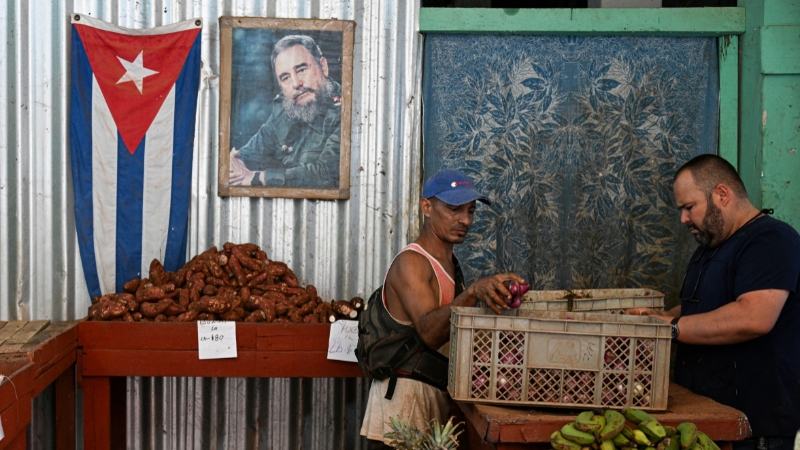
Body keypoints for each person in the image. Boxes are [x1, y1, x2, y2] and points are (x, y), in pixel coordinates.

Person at [628, 154, 800, 450]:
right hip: (710, 420)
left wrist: (670, 327)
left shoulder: (771, 239)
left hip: (756, 427)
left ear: (721, 194)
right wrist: (662, 315)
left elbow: (753, 316)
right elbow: (708, 306)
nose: (683, 219)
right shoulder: (711, 247)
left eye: (689, 207)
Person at [358, 169, 525, 449]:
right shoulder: (412, 263)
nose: (465, 220)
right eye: (454, 209)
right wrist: (473, 293)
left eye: (470, 211)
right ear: (426, 207)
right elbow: (429, 333)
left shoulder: (449, 264)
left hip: (433, 397)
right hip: (403, 404)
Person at [229, 34, 341, 188]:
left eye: (301, 70)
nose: (296, 83)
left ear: (323, 67)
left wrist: (256, 178)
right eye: (285, 78)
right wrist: (235, 163)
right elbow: (248, 153)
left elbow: (327, 174)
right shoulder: (283, 111)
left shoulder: (347, 112)